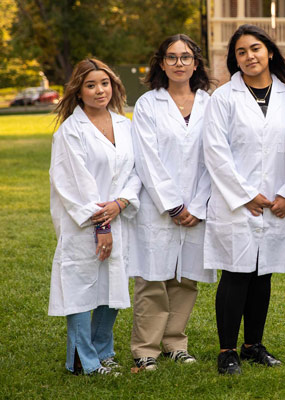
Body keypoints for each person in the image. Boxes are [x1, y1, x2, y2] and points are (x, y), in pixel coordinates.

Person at [202, 24, 285, 375]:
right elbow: (215, 150)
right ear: (235, 59)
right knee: (236, 273)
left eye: (255, 49)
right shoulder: (224, 97)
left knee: (263, 275)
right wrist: (245, 195)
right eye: (241, 52)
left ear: (269, 52)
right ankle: (227, 351)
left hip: (275, 201)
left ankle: (253, 345)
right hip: (236, 202)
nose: (249, 56)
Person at [128, 34, 216, 371]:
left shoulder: (210, 103)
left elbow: (216, 157)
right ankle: (145, 349)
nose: (179, 63)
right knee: (153, 279)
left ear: (196, 63)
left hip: (198, 206)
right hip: (158, 206)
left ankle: (175, 343)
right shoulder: (149, 104)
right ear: (161, 63)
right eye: (172, 57)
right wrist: (174, 205)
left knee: (185, 279)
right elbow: (146, 158)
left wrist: (197, 204)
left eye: (185, 57)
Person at [49, 58, 141, 375]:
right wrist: (101, 222)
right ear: (79, 91)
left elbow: (136, 171)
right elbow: (74, 183)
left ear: (113, 85)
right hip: (84, 224)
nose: (99, 90)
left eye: (104, 83)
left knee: (112, 289)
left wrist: (122, 201)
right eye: (91, 85)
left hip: (120, 216)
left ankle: (103, 351)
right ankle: (82, 360)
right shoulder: (70, 133)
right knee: (80, 287)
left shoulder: (125, 125)